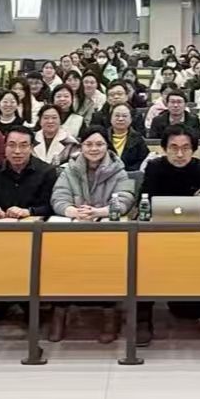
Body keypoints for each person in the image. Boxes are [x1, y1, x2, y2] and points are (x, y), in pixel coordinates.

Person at [48, 127, 135, 342]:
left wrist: (99, 212)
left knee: (107, 264)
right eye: (88, 144)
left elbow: (125, 199)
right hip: (74, 231)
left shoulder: (118, 170)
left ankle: (109, 314)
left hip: (106, 231)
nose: (94, 149)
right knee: (61, 262)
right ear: (81, 146)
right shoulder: (70, 169)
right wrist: (73, 211)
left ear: (107, 146)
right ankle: (60, 311)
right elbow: (58, 197)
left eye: (99, 144)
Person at [136, 125, 200, 344]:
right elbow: (145, 202)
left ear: (194, 149)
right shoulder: (155, 168)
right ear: (164, 149)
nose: (180, 154)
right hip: (158, 234)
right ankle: (142, 319)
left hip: (195, 235)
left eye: (186, 148)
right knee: (142, 259)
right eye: (174, 148)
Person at [105, 103, 148, 171]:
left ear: (131, 119)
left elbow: (142, 161)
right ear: (110, 118)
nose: (120, 119)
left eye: (124, 116)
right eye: (117, 115)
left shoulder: (138, 139)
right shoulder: (103, 137)